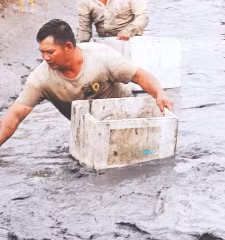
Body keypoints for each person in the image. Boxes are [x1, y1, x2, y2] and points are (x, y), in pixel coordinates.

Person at [0, 20, 173, 148]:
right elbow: (15, 116)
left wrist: (159, 93)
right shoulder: (41, 78)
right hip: (88, 130)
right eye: (42, 52)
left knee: (146, 154)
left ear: (68, 47)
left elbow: (139, 76)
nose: (45, 58)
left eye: (50, 52)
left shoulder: (101, 57)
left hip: (125, 119)